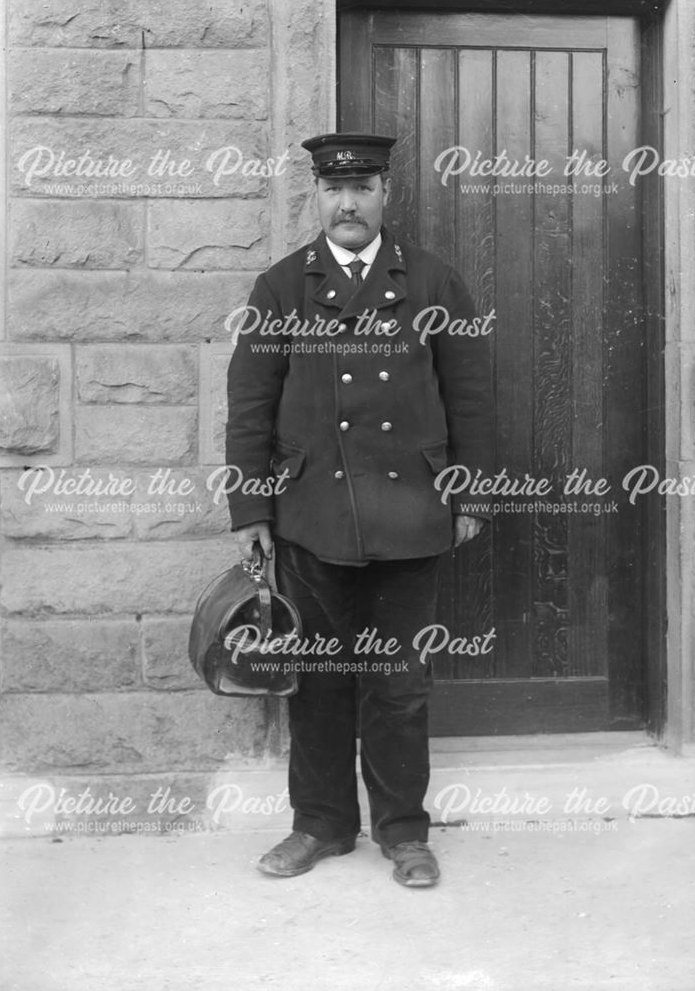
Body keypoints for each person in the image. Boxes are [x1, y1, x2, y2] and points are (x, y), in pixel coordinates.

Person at [225, 132, 491, 887]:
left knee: (399, 682)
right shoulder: (281, 288)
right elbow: (250, 403)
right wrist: (251, 507)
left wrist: (468, 490)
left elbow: (469, 398)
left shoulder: (433, 284)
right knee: (316, 683)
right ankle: (319, 826)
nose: (348, 203)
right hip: (311, 513)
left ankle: (404, 833)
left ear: (385, 195)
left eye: (364, 188)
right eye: (335, 190)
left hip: (410, 515)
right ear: (317, 195)